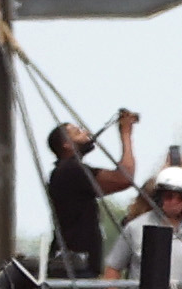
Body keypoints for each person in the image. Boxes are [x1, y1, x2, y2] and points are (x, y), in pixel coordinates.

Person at [43, 109, 143, 280]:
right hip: (76, 267)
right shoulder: (71, 171)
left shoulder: (66, 172)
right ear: (66, 144)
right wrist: (126, 135)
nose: (86, 133)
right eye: (77, 132)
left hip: (77, 264)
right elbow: (124, 178)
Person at [100, 165, 182, 289]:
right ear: (159, 196)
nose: (174, 202)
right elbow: (113, 267)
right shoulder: (135, 227)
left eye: (180, 197)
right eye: (169, 196)